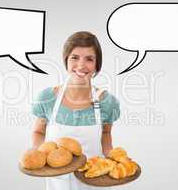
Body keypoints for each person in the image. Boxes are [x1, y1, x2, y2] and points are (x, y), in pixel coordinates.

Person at [30, 31, 120, 190]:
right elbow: (38, 132)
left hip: (94, 181)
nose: (81, 65)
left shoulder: (107, 103)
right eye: (75, 57)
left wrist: (114, 161)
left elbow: (106, 134)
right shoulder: (47, 98)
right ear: (66, 61)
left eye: (89, 59)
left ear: (97, 65)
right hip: (57, 182)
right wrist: (39, 155)